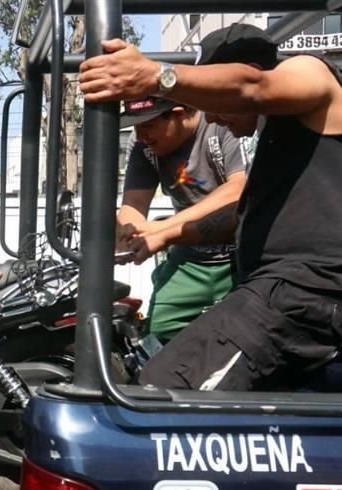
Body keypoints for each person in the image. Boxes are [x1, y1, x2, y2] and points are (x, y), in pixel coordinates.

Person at [79, 24, 342, 391]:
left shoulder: (309, 72)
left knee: (167, 390)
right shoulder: (277, 138)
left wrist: (157, 76)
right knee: (155, 370)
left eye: (216, 107)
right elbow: (237, 217)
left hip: (301, 296)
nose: (214, 118)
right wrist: (166, 234)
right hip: (274, 292)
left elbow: (252, 87)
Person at [116, 96, 246, 342]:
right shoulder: (142, 145)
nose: (140, 134)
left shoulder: (223, 122)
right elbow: (133, 207)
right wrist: (125, 237)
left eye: (147, 125)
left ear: (178, 112)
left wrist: (164, 230)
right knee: (158, 334)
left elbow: (238, 190)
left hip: (242, 259)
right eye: (136, 126)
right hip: (188, 262)